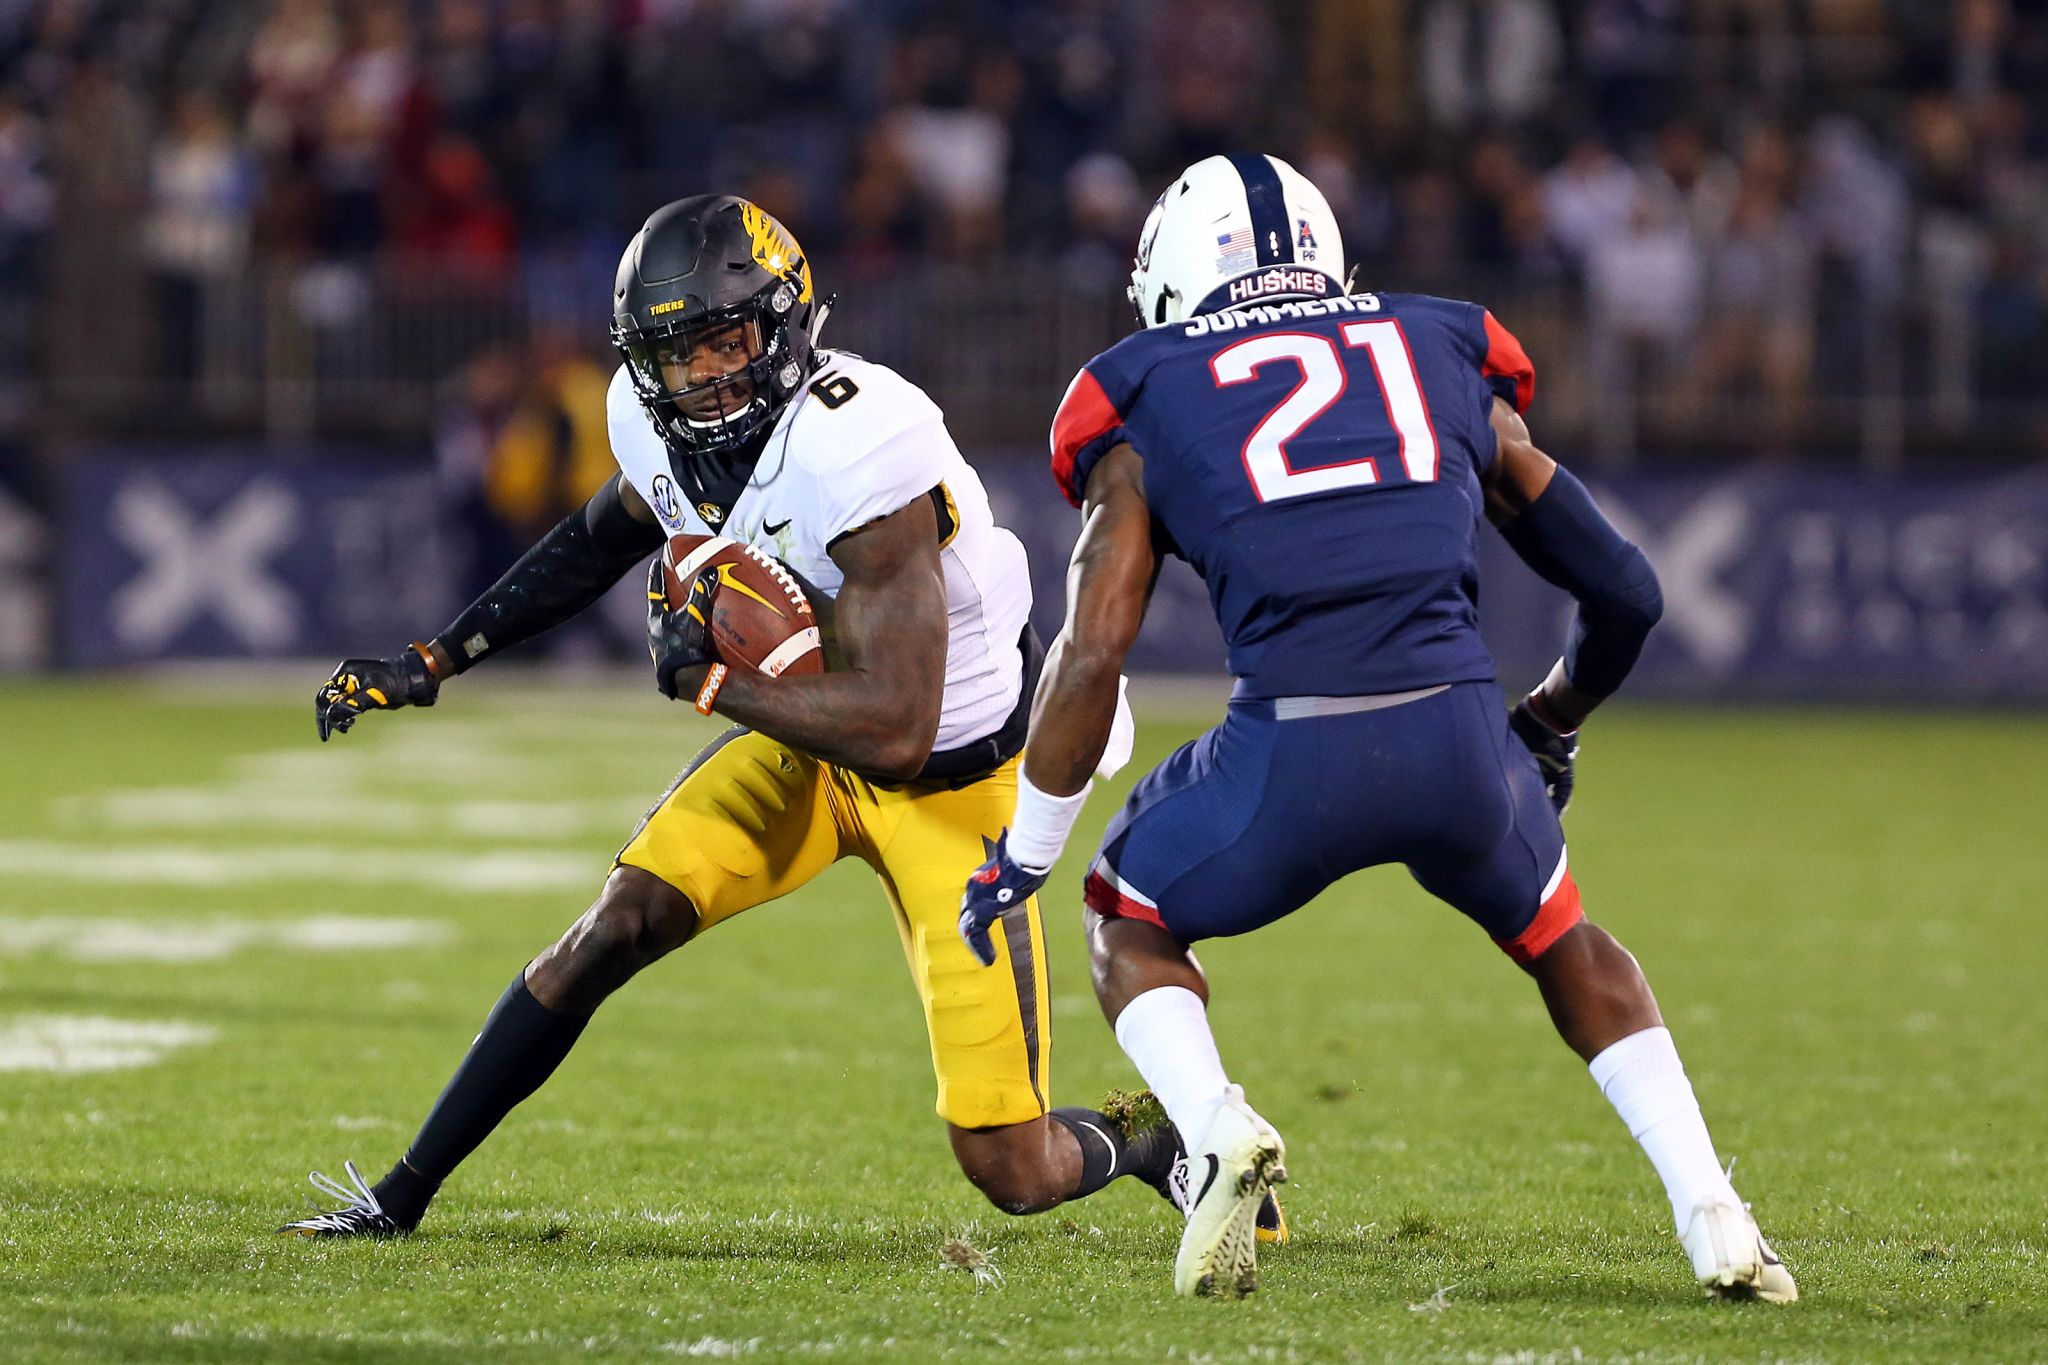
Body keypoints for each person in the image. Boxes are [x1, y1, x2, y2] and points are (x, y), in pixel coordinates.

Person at [959, 154, 1797, 1303]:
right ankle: (1714, 1212)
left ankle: (1211, 1132)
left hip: (1287, 754)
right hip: (1460, 744)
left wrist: (1026, 852)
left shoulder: (1143, 390)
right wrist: (1546, 722)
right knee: (1566, 942)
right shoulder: (1437, 346)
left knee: (1124, 913)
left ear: (1168, 280)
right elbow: (1630, 596)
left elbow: (1091, 648)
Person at [281, 194, 1178, 1237]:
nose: (703, 376)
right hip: (813, 749)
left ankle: (1150, 1138)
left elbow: (895, 725)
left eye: (724, 339)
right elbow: (596, 536)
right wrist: (440, 655)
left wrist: (715, 683)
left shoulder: (860, 442)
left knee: (1010, 1169)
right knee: (614, 923)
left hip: (954, 781)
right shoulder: (646, 417)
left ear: (784, 324)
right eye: (676, 355)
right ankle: (399, 1196)